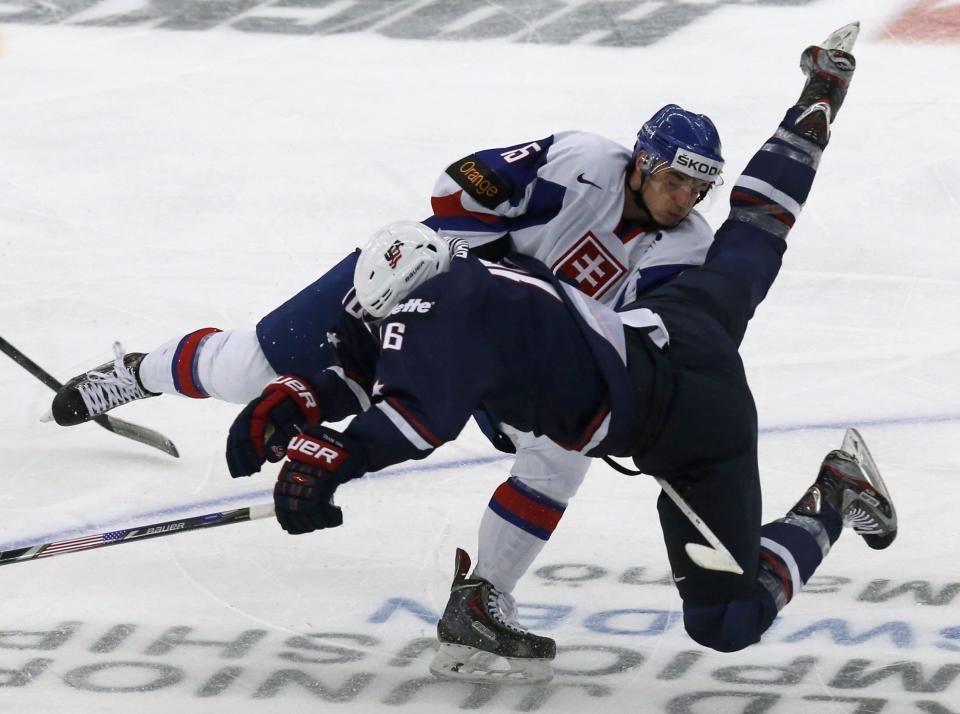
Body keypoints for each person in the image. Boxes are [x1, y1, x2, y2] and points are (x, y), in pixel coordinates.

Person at [222, 21, 896, 685]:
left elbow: (416, 415)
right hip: (684, 329)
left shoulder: (452, 323)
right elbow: (393, 376)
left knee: (726, 619)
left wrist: (336, 454)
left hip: (694, 427)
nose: (687, 199)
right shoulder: (477, 289)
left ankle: (832, 497)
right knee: (756, 234)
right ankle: (817, 102)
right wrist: (304, 402)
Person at [49, 91, 727, 673]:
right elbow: (457, 185)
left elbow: (640, 338)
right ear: (640, 161)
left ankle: (481, 598)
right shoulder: (582, 161)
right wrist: (477, 277)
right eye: (675, 180)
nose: (685, 199)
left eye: (699, 189)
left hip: (508, 351)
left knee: (563, 449)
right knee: (249, 369)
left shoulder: (687, 247)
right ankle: (135, 372)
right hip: (416, 280)